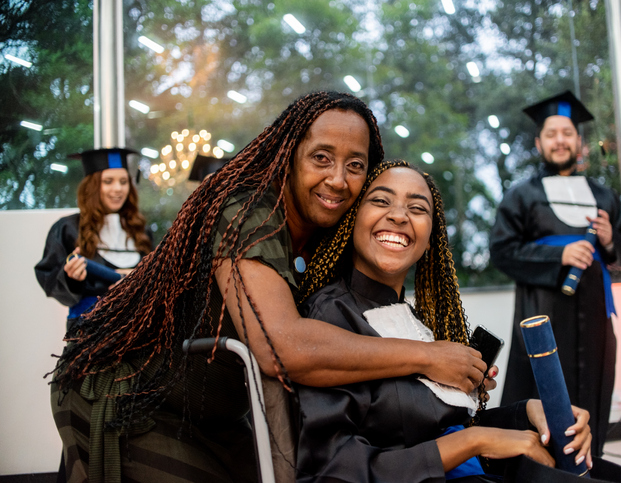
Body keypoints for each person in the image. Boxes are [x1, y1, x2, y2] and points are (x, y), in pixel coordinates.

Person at [49, 91, 487, 483]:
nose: (338, 179)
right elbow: (285, 348)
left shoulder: (324, 232)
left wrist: (450, 380)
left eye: (356, 166)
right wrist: (429, 358)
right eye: (321, 158)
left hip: (212, 410)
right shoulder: (249, 215)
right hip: (131, 392)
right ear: (288, 155)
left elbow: (343, 356)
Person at [295, 160, 593, 482]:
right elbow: (332, 469)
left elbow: (431, 429)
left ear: (430, 237)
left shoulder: (414, 320)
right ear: (352, 219)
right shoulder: (329, 316)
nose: (399, 215)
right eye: (381, 201)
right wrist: (474, 440)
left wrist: (527, 414)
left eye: (418, 208)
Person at [489, 91, 621, 457]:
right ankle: (536, 472)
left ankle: (591, 465)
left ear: (579, 142)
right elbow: (502, 252)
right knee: (542, 398)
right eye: (552, 134)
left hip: (595, 319)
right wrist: (559, 255)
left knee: (594, 388)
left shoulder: (604, 196)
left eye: (567, 133)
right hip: (543, 315)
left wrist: (608, 239)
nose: (560, 140)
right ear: (540, 142)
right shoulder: (521, 196)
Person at [34, 147, 153, 330]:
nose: (117, 189)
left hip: (137, 327)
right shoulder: (68, 229)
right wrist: (71, 277)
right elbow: (48, 279)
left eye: (123, 181)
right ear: (93, 185)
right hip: (89, 329)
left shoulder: (140, 229)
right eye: (108, 181)